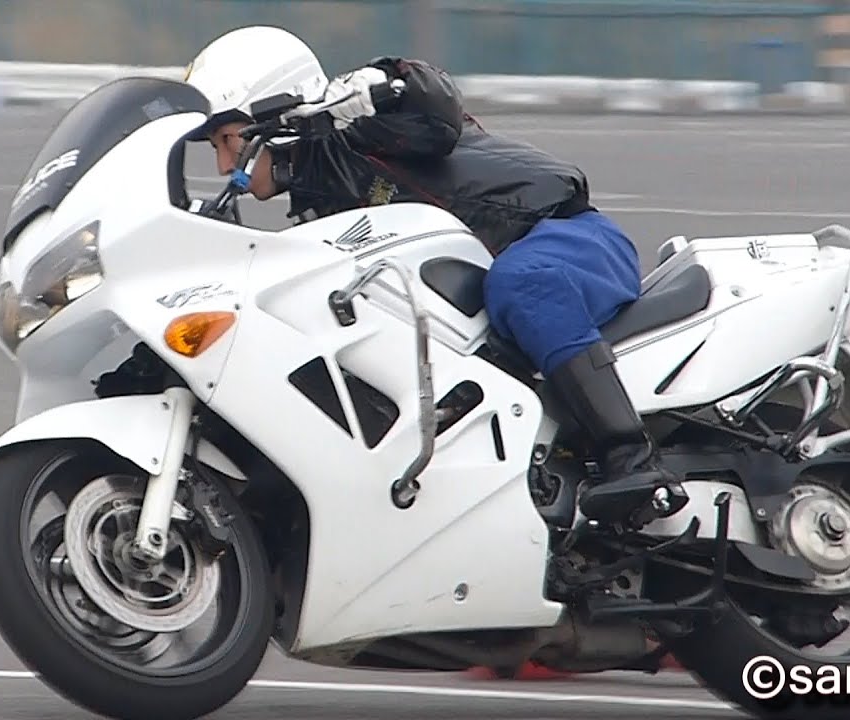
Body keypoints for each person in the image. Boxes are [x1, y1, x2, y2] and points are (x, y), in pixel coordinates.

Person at [182, 26, 685, 524]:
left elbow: (436, 110)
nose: (226, 164)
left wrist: (385, 82)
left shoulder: (365, 130)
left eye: (227, 141)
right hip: (516, 275)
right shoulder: (320, 196)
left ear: (272, 119)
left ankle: (633, 461)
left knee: (520, 283)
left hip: (566, 235)